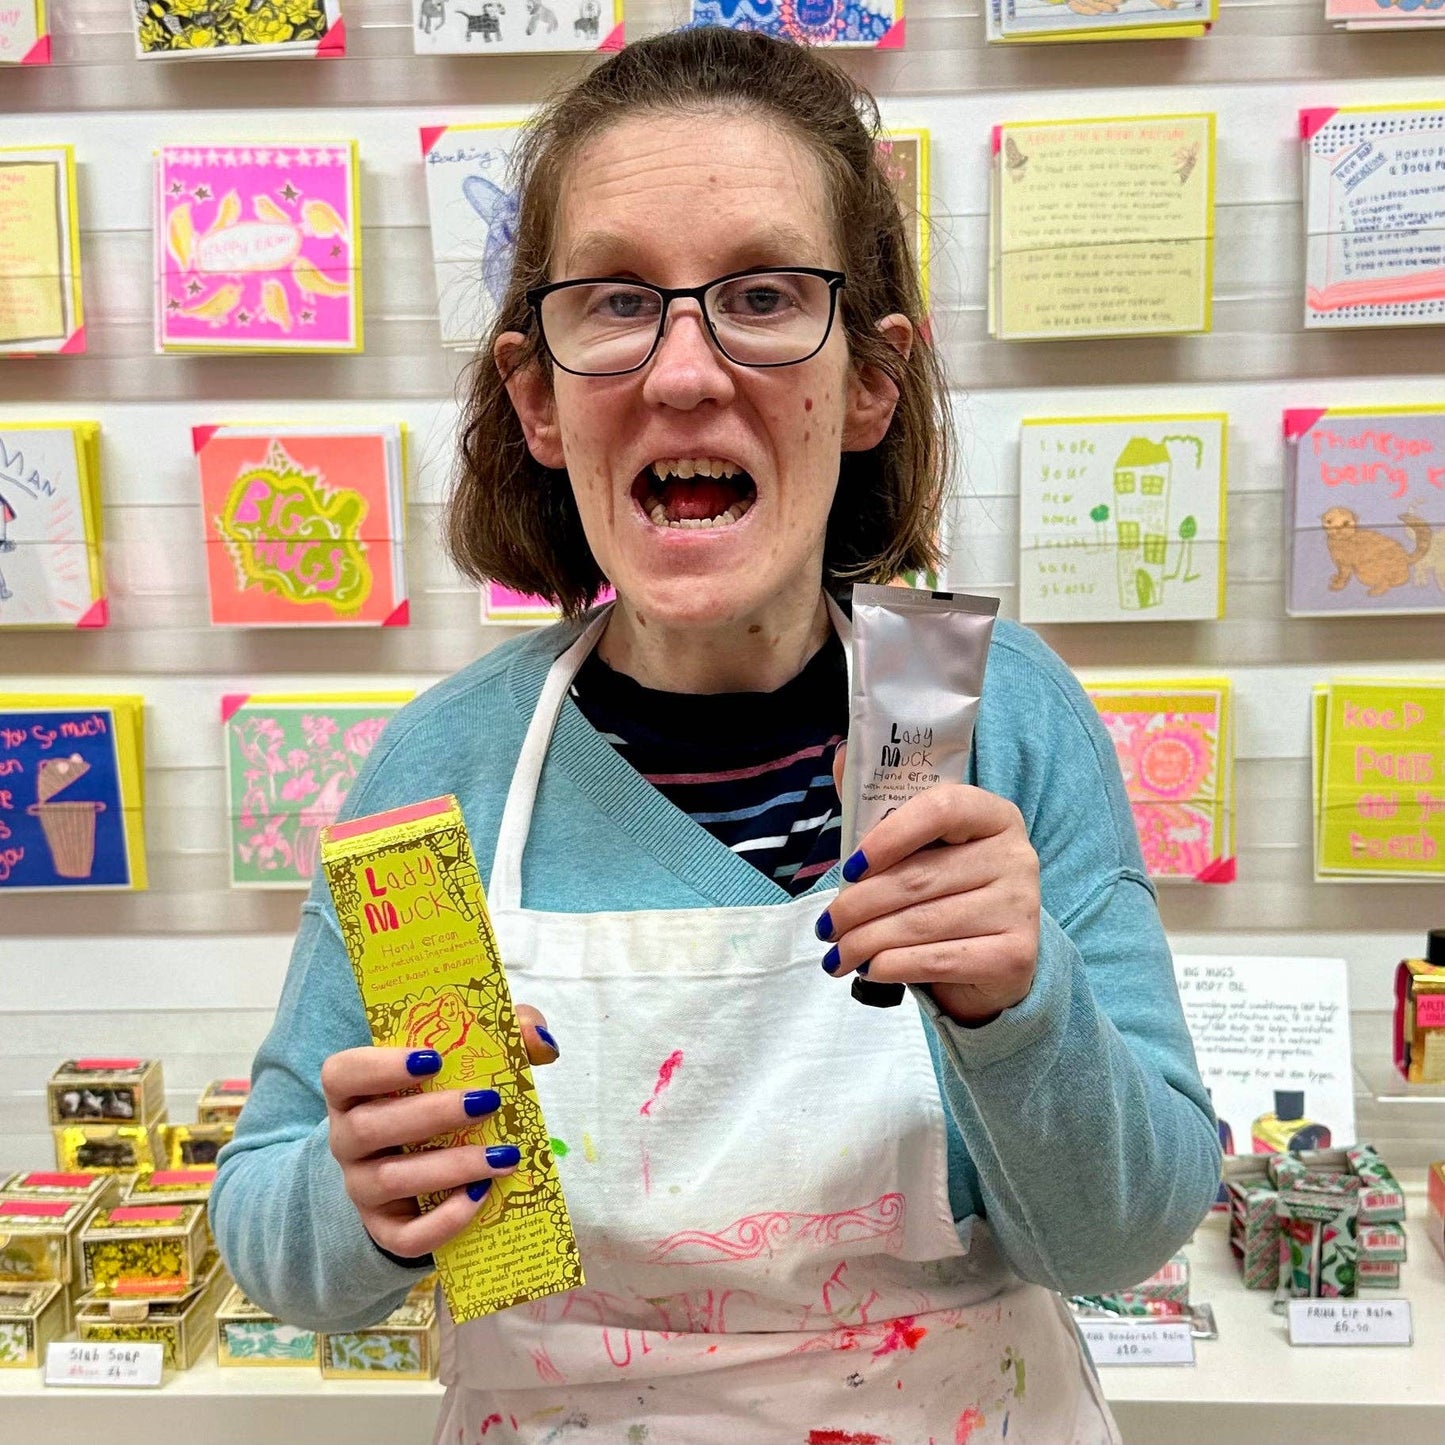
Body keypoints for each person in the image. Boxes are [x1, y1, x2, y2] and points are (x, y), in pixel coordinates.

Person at [212, 27, 1219, 1444]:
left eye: (761, 294)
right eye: (616, 301)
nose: (683, 372)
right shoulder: (452, 767)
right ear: (536, 397)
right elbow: (271, 1236)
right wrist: (360, 1193)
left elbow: (1119, 1235)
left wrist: (1022, 1008)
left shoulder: (981, 715)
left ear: (869, 381)